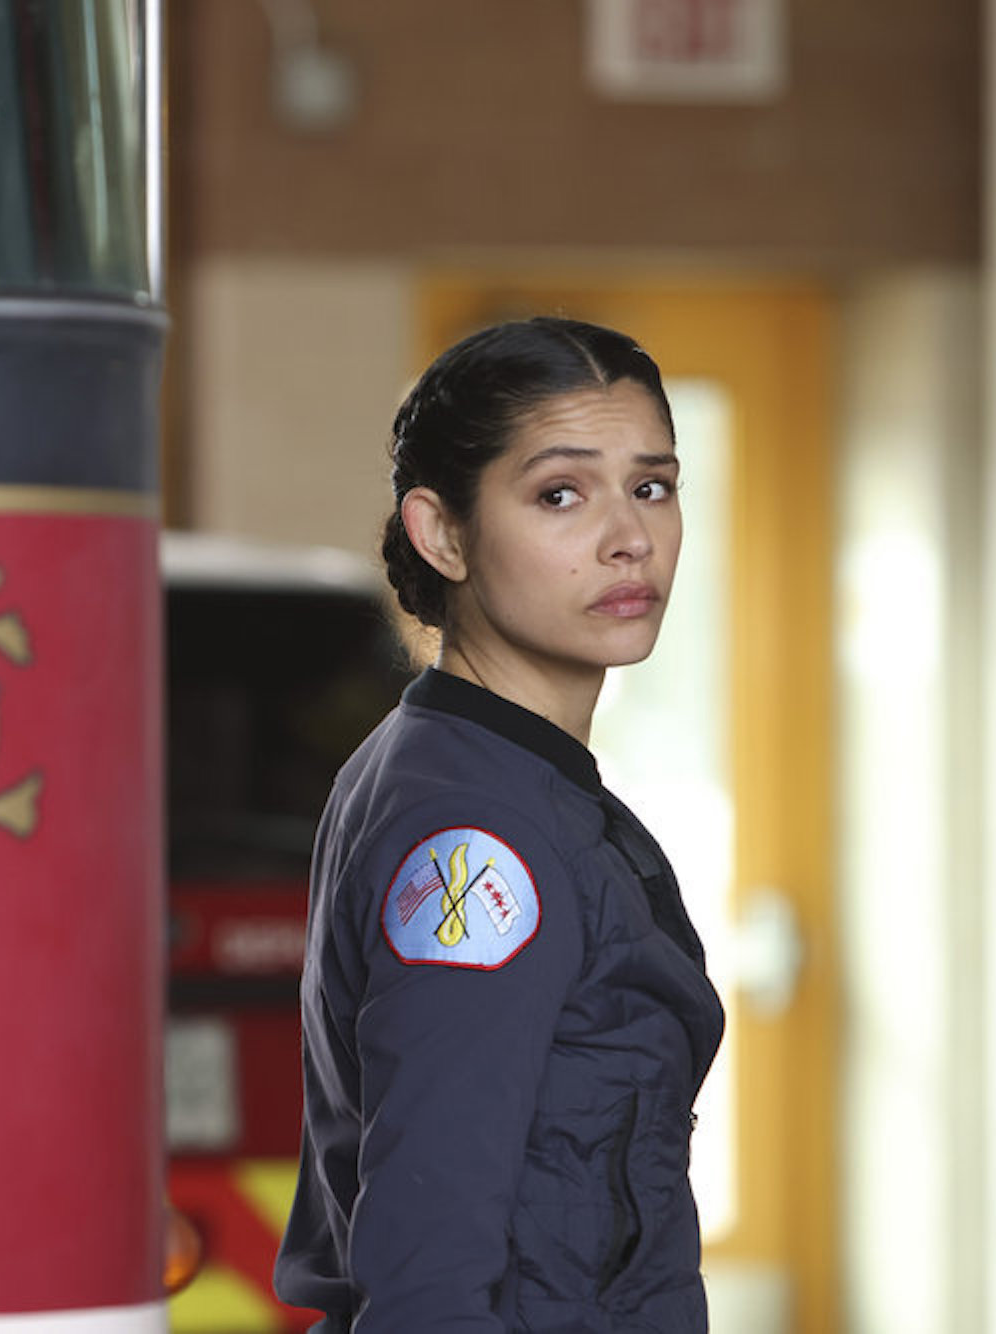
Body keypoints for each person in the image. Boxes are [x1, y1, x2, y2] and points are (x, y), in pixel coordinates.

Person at [273, 317, 726, 1332]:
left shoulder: (475, 764)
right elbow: (428, 1275)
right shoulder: (475, 831)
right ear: (441, 532)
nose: (629, 535)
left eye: (650, 485)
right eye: (559, 493)